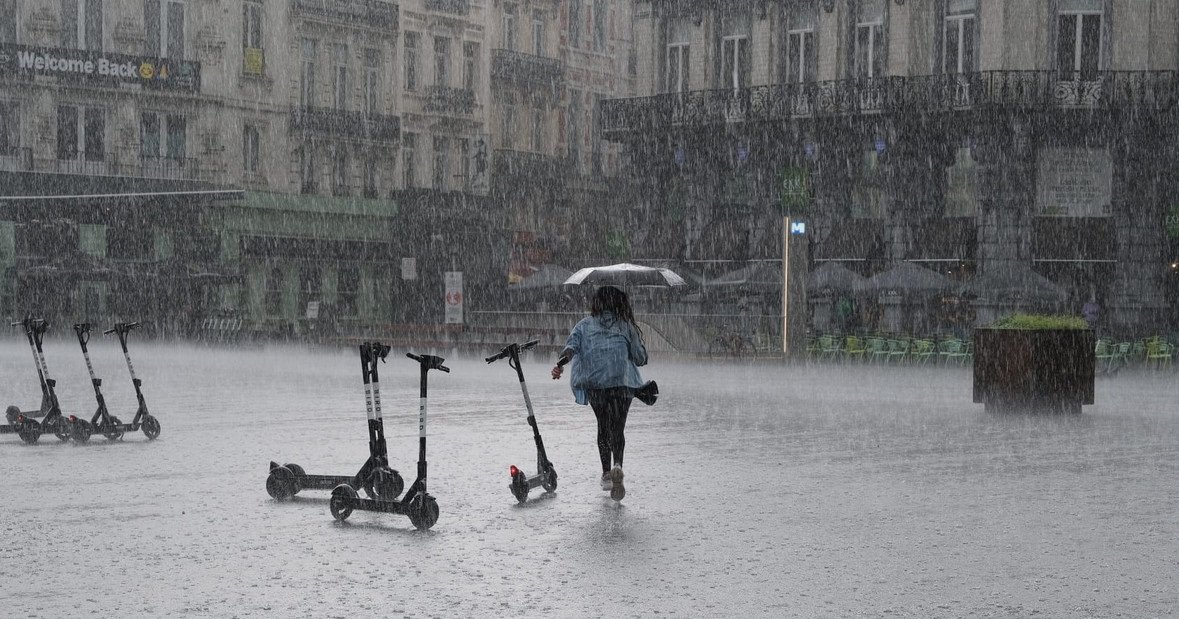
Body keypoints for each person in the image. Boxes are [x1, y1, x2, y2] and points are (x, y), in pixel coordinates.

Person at [551, 285, 648, 501]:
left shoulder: (584, 325)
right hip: (622, 383)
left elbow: (570, 349)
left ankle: (606, 473)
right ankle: (618, 465)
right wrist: (638, 346)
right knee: (618, 428)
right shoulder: (625, 326)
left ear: (597, 304)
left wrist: (560, 364)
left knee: (603, 426)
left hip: (596, 384)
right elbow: (640, 358)